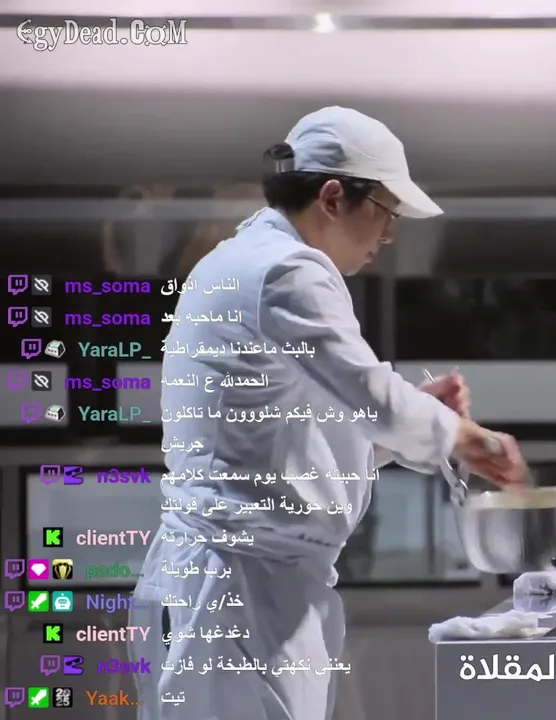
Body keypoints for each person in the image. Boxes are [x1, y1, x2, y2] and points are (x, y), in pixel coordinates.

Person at [128, 106, 528, 719]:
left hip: (240, 581)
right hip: (237, 587)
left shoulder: (246, 259)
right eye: (387, 212)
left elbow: (291, 438)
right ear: (335, 197)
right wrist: (467, 439)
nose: (388, 236)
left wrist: (413, 426)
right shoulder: (287, 271)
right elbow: (371, 395)